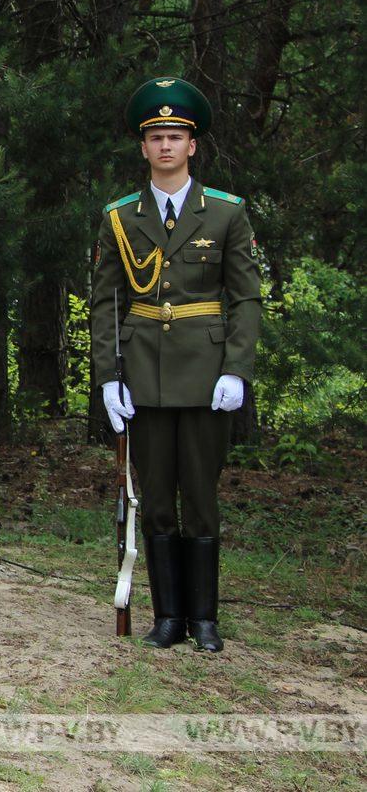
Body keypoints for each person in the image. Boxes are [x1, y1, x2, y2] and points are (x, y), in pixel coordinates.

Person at [90, 77, 261, 653]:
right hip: (144, 377)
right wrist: (109, 377)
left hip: (208, 375)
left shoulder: (226, 214)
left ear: (193, 146)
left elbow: (245, 299)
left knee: (202, 499)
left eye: (176, 136)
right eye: (156, 137)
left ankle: (204, 620)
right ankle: (168, 619)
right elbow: (106, 303)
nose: (165, 146)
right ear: (143, 148)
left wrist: (236, 368)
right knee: (157, 499)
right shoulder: (120, 216)